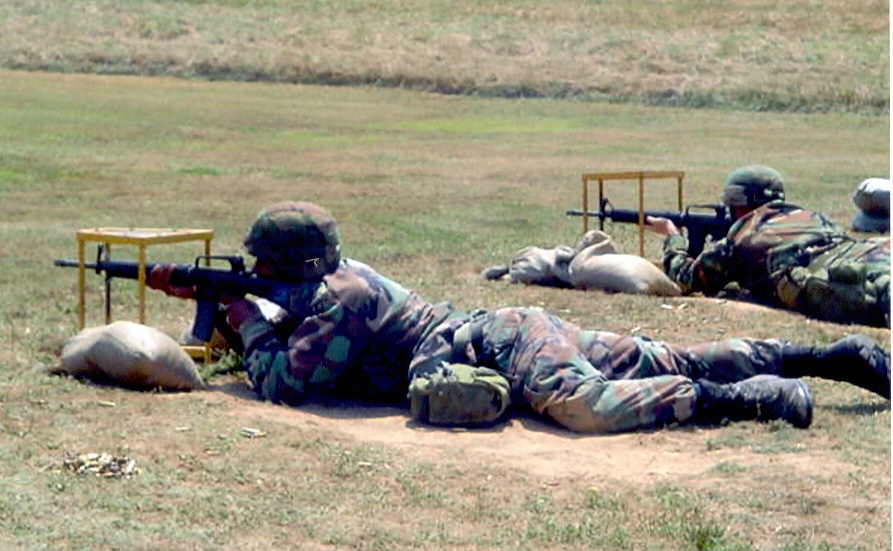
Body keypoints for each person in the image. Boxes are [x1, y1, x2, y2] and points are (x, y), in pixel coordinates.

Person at [148, 201, 890, 434]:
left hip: (502, 340)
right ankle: (829, 357)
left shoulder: (343, 297)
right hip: (506, 329)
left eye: (264, 266)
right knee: (671, 356)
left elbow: (285, 383)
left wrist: (241, 317)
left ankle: (755, 398)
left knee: (588, 405)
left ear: (292, 263)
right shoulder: (337, 283)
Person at [645, 165, 891, 328]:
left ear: (737, 202)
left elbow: (687, 278)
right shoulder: (808, 215)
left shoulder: (745, 235)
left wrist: (671, 235)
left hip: (844, 275)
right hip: (869, 252)